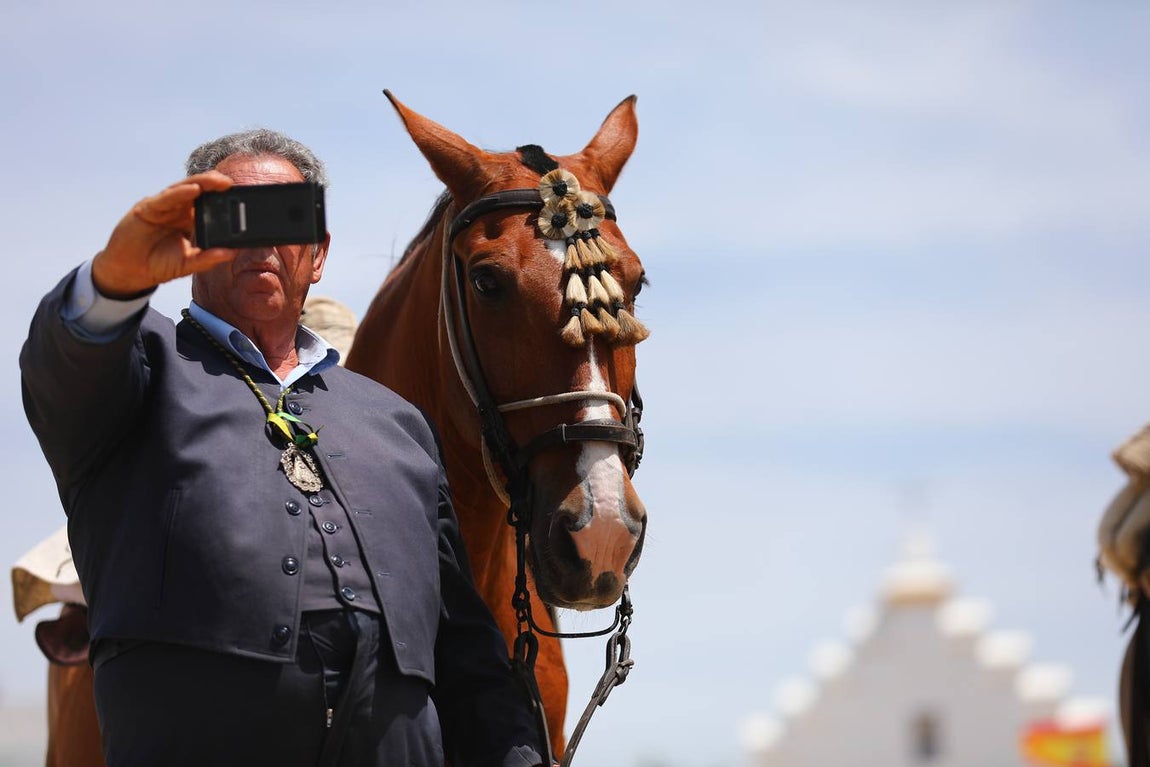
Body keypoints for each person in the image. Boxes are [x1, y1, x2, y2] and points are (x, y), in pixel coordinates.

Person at [20, 129, 544, 767]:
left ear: (319, 255)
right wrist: (113, 280)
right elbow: (62, 366)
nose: (261, 240)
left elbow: (464, 650)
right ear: (198, 238)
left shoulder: (399, 423)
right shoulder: (135, 370)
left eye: (286, 218)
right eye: (234, 219)